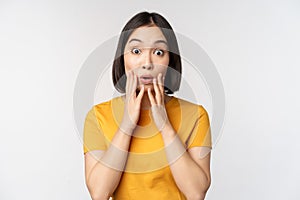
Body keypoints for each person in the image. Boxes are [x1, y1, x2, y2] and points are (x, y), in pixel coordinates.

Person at [83, 11, 212, 200]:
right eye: (136, 51)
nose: (147, 63)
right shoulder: (98, 116)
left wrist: (164, 125)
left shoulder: (196, 115)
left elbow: (196, 193)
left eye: (159, 52)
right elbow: (99, 193)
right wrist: (127, 125)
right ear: (122, 58)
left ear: (170, 60)